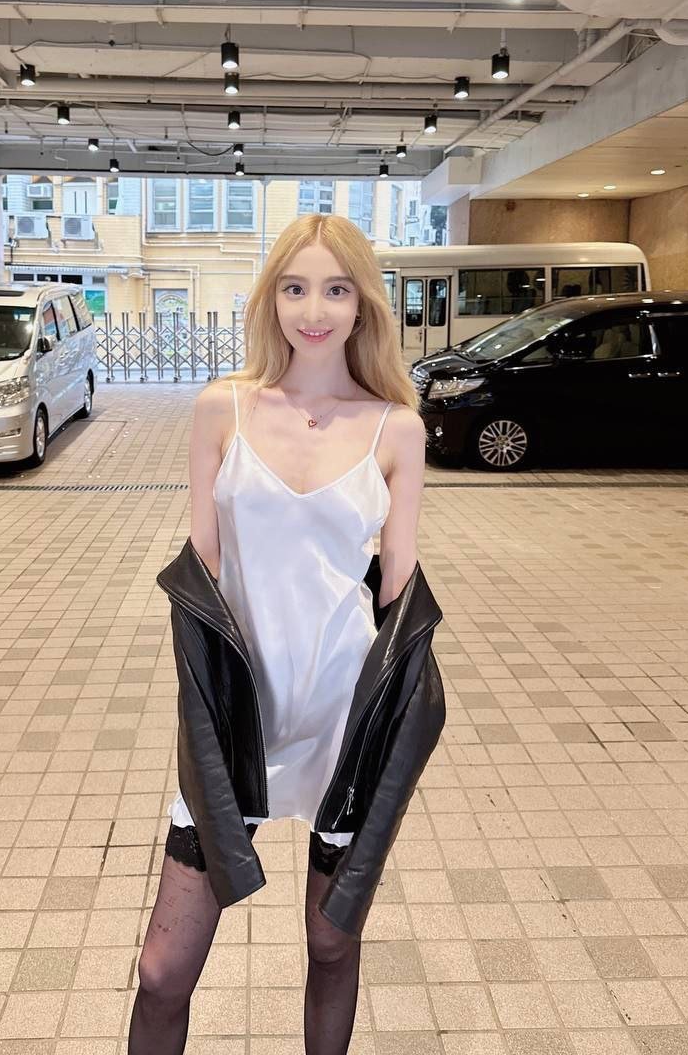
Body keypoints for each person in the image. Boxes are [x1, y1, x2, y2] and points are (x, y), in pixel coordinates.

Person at [129, 214, 427, 1055]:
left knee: (332, 946)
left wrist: (396, 737)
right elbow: (202, 573)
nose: (314, 310)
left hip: (343, 721)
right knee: (162, 971)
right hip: (236, 717)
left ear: (363, 305)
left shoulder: (396, 428)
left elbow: (398, 595)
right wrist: (197, 712)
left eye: (336, 289)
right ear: (271, 299)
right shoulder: (221, 408)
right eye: (295, 288)